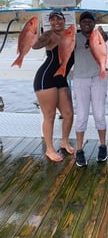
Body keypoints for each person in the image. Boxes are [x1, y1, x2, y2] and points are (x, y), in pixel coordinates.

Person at [32, 11, 74, 162]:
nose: (56, 22)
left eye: (59, 19)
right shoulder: (49, 35)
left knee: (68, 114)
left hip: (61, 80)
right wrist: (34, 34)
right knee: (49, 115)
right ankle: (49, 149)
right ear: (49, 22)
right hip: (46, 79)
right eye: (52, 20)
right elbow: (35, 46)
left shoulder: (71, 34)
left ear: (64, 20)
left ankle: (64, 142)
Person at [73, 11, 108, 167]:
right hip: (80, 78)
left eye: (90, 21)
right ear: (80, 24)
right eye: (84, 21)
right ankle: (79, 150)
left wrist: (102, 34)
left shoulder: (98, 35)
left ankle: (103, 145)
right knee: (81, 116)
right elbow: (64, 46)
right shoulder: (74, 37)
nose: (87, 23)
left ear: (94, 23)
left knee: (99, 114)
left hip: (98, 78)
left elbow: (105, 39)